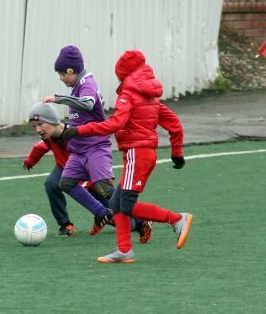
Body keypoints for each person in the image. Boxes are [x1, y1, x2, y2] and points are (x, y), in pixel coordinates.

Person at [63, 49, 193, 263]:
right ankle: (124, 250)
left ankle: (177, 219)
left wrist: (81, 130)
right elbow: (174, 124)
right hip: (143, 154)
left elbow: (115, 123)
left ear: (123, 74)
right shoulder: (151, 97)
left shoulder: (128, 95)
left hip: (136, 154)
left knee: (128, 206)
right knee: (116, 203)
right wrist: (176, 152)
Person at [23, 102, 153, 241]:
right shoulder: (47, 137)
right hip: (66, 170)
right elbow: (40, 147)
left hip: (90, 173)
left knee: (124, 219)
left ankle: (141, 219)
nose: (37, 129)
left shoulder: (74, 132)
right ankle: (65, 225)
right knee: (51, 183)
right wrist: (30, 161)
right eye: (34, 126)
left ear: (53, 121)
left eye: (40, 124)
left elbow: (96, 148)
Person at [41, 45, 119, 237]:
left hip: (95, 147)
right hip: (80, 150)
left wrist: (59, 99)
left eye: (61, 74)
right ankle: (102, 213)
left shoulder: (86, 83)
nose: (60, 78)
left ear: (70, 70)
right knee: (65, 182)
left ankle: (143, 218)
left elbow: (88, 104)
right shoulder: (78, 86)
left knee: (104, 189)